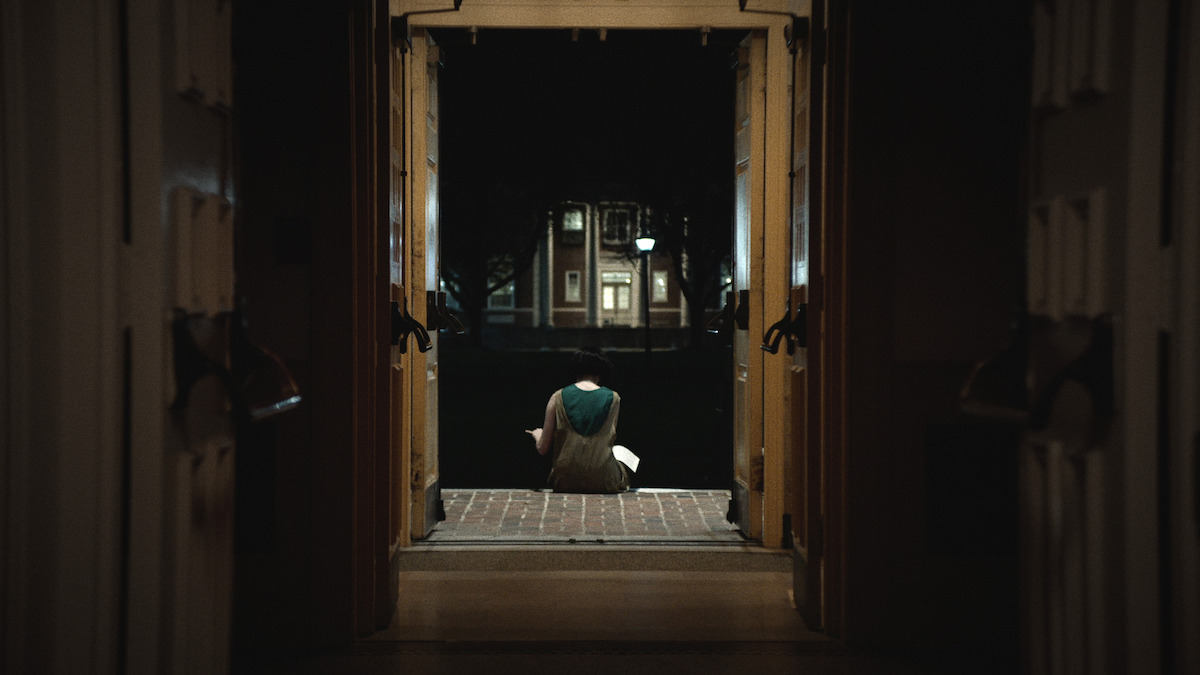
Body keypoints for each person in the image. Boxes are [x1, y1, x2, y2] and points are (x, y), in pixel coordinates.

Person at [525, 347, 629, 493]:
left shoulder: (558, 397)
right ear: (600, 372)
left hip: (565, 479)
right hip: (604, 479)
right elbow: (608, 439)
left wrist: (538, 435)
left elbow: (543, 448)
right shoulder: (613, 398)